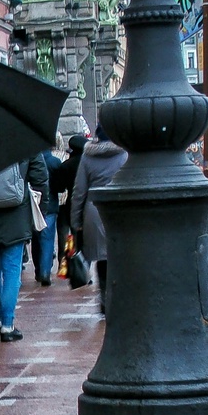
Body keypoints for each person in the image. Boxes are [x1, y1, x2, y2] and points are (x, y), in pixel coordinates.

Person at [0, 154, 48, 339]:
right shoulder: (25, 139)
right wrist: (41, 208)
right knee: (12, 270)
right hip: (17, 213)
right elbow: (40, 177)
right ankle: (8, 324)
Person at [70, 124, 128, 313]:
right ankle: (118, 297)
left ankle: (104, 297)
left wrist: (76, 222)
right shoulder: (124, 155)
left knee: (101, 259)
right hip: (119, 210)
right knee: (119, 256)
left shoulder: (88, 157)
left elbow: (79, 192)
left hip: (93, 213)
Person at [52, 133, 86, 278]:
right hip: (85, 204)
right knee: (80, 236)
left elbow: (59, 187)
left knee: (64, 235)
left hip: (68, 204)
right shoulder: (86, 163)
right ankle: (81, 265)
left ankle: (64, 264)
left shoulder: (66, 165)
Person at [31, 136, 63, 286]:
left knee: (36, 240)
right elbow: (60, 187)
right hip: (50, 206)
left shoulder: (31, 161)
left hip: (34, 206)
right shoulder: (55, 163)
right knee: (48, 239)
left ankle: (38, 270)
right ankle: (45, 272)